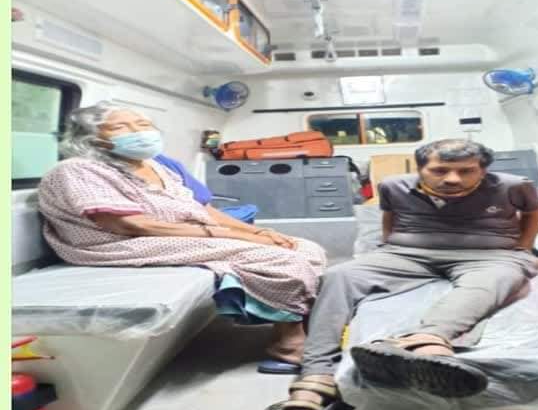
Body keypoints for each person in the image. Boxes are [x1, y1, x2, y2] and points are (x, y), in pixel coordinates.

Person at [259, 138, 538, 410]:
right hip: (408, 255)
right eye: (440, 170)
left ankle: (426, 341)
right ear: (420, 168)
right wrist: (387, 248)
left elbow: (534, 213)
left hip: (489, 255)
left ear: (483, 171)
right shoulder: (394, 186)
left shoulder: (513, 186)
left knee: (495, 279)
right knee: (337, 276)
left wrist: (523, 249)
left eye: (466, 171)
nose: (452, 178)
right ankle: (317, 374)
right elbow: (390, 216)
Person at [37, 101, 327, 365]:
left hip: (172, 234)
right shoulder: (78, 170)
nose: (138, 131)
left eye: (143, 124)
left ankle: (299, 318)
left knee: (303, 248)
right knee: (282, 260)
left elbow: (202, 209)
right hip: (119, 243)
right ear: (92, 136)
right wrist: (235, 237)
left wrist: (259, 231)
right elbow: (129, 225)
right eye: (121, 127)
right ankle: (287, 342)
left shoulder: (154, 166)